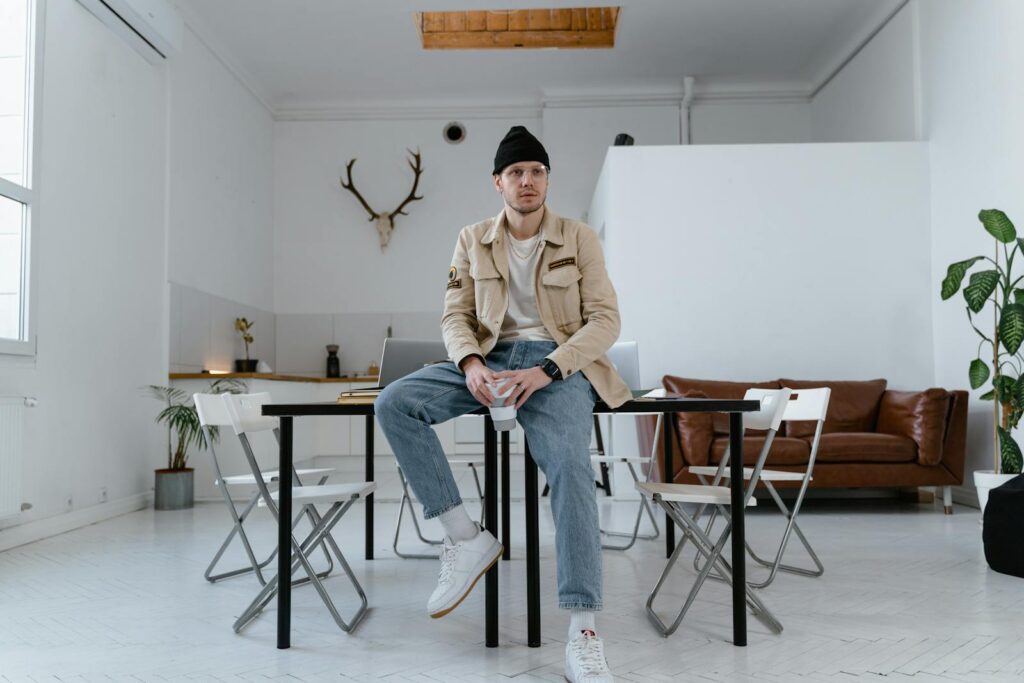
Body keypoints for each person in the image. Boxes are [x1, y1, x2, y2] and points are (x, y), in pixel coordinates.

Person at [376, 125, 631, 683]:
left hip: (556, 365)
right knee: (394, 402)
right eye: (516, 172)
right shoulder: (472, 239)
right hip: (488, 359)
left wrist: (546, 370)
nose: (527, 181)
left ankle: (584, 631)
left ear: (547, 179)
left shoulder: (579, 238)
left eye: (537, 171)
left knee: (571, 469)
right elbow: (455, 315)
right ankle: (465, 538)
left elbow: (605, 321)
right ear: (498, 182)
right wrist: (471, 365)